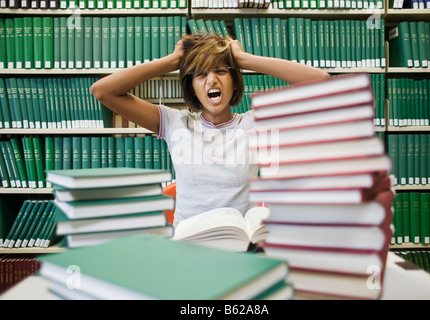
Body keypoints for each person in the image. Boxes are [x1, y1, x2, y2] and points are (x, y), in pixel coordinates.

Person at [90, 32, 394, 228]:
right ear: (191, 87)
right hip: (188, 249)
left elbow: (321, 81)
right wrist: (172, 60)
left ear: (235, 81)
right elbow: (104, 91)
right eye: (199, 75)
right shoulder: (175, 123)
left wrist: (244, 59)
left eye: (221, 71)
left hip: (243, 248)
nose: (211, 80)